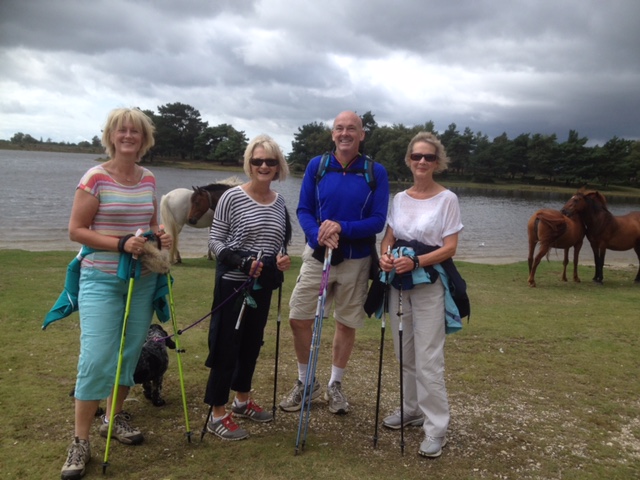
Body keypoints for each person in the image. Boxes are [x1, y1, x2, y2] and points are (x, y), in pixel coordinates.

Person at [60, 108, 173, 480]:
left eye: (135, 132)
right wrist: (120, 243)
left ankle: (113, 417)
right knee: (95, 357)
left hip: (139, 282)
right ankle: (80, 440)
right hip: (101, 281)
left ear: (144, 139)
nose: (128, 136)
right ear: (111, 136)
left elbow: (150, 223)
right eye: (122, 131)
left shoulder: (148, 178)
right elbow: (77, 230)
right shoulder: (95, 178)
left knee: (128, 353)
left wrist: (161, 234)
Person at [279, 111, 389, 415]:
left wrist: (341, 227)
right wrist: (318, 235)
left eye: (351, 128)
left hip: (356, 260)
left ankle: (334, 385)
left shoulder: (374, 171)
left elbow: (378, 221)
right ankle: (306, 382)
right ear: (332, 134)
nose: (345, 133)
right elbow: (303, 210)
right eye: (339, 128)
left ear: (362, 134)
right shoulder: (318, 166)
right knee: (298, 317)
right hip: (319, 256)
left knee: (346, 322)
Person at [379, 131, 464, 458]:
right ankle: (411, 409)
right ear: (409, 161)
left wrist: (416, 260)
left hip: (429, 287)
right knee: (404, 353)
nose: (422, 162)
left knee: (428, 358)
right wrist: (385, 256)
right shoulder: (399, 199)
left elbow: (450, 248)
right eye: (417, 156)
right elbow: (388, 238)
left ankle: (436, 428)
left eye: (429, 157)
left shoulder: (448, 199)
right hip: (398, 285)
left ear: (438, 162)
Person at [203, 134, 291, 440]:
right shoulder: (231, 197)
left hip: (262, 285)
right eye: (257, 161)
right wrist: (241, 262)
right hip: (233, 283)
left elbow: (278, 242)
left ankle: (241, 400)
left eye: (270, 161)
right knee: (225, 346)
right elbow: (214, 242)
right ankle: (216, 412)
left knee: (252, 345)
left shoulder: (280, 202)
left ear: (278, 166)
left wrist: (280, 260)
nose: (263, 166)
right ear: (248, 164)